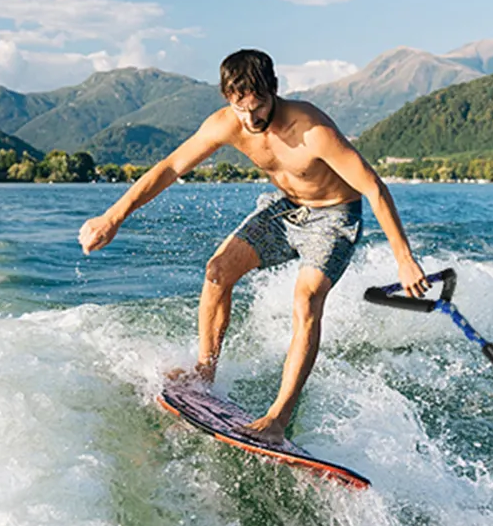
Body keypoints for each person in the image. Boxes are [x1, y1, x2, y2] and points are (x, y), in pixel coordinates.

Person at [79, 48, 428, 443]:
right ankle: (204, 373)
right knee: (217, 272)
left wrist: (404, 259)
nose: (251, 119)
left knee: (306, 299)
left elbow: (372, 187)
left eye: (258, 107)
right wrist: (114, 216)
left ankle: (278, 418)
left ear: (274, 91)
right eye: (240, 108)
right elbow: (170, 167)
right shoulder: (227, 123)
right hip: (287, 211)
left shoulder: (311, 129)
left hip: (334, 217)